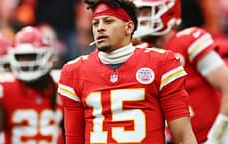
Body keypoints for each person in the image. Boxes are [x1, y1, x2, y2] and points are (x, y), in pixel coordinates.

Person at [58, 0, 197, 144]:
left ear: (129, 27)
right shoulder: (74, 72)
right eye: (95, 23)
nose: (100, 28)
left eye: (108, 21)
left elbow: (183, 137)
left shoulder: (161, 63)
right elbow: (73, 140)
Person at [132, 0, 228, 143]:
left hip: (218, 138)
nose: (141, 18)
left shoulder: (188, 41)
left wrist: (216, 137)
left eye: (146, 12)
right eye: (139, 12)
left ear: (169, 12)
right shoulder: (141, 53)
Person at [0, 26, 64, 144]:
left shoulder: (62, 84)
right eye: (21, 57)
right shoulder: (3, 87)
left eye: (32, 56)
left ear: (47, 55)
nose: (27, 62)